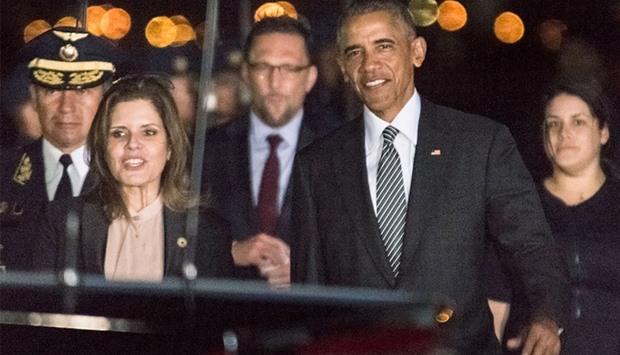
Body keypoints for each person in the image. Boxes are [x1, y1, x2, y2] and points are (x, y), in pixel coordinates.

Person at [290, 1, 569, 353]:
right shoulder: (317, 166)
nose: (370, 64)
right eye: (354, 52)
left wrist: (545, 317)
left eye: (384, 46)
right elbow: (310, 296)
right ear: (344, 68)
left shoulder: (479, 144)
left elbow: (531, 246)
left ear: (417, 51)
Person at [32, 75, 234, 280]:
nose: (133, 144)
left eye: (148, 132)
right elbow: (40, 306)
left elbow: (216, 311)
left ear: (170, 147)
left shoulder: (207, 231)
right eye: (119, 134)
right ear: (103, 147)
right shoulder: (61, 221)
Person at [202, 15, 342, 286]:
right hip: (227, 314)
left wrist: (307, 272)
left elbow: (359, 252)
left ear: (310, 77)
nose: (275, 82)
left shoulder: (340, 150)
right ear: (245, 73)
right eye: (263, 67)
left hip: (310, 319)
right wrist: (230, 252)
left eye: (289, 68)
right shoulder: (207, 150)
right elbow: (179, 239)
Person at [491, 81, 620, 354]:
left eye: (578, 122)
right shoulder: (516, 207)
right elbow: (495, 299)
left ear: (603, 131)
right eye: (553, 123)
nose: (564, 133)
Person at [0, 27, 121, 270]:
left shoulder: (126, 175)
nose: (67, 106)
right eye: (52, 90)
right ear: (33, 97)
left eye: (83, 90)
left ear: (105, 99)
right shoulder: (4, 172)